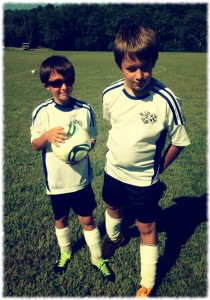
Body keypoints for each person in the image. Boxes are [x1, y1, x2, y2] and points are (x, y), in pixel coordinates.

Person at [101, 24, 190, 297]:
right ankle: (115, 237)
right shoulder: (110, 94)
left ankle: (148, 282)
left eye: (146, 67)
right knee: (112, 206)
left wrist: (160, 166)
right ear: (120, 66)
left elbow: (180, 141)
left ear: (153, 63)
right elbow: (114, 127)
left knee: (146, 226)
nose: (139, 76)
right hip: (113, 170)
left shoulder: (165, 100)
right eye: (131, 68)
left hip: (143, 179)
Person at [30, 55, 114, 281]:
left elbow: (92, 139)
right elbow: (35, 144)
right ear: (46, 85)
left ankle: (97, 258)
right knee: (61, 218)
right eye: (56, 83)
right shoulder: (43, 112)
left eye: (68, 81)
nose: (63, 87)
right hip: (56, 182)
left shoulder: (84, 110)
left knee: (87, 219)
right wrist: (47, 135)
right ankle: (65, 251)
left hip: (80, 180)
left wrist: (82, 150)